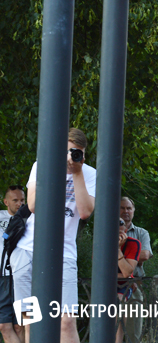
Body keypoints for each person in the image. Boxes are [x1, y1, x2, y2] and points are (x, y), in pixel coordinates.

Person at [10, 128, 96, 343]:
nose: (70, 157)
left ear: (83, 154)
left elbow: (85, 211)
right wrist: (53, 168)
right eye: (66, 151)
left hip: (63, 254)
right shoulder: (41, 166)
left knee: (66, 320)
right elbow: (32, 205)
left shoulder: (90, 174)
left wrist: (76, 173)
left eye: (76, 152)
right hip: (26, 252)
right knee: (31, 320)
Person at [120, 196, 152, 343]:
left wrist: (122, 258)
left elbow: (145, 254)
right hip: (110, 287)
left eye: (129, 208)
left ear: (133, 211)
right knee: (110, 332)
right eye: (122, 208)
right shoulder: (105, 230)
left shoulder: (141, 232)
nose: (125, 211)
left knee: (134, 334)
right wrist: (131, 258)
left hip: (134, 284)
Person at [0, 185, 25, 343]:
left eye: (22, 200)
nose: (19, 204)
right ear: (6, 202)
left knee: (23, 324)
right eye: (15, 200)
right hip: (2, 278)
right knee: (3, 325)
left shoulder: (31, 218)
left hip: (24, 277)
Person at [116, 218, 140, 343]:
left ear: (125, 231)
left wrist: (118, 250)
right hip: (104, 285)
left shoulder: (133, 243)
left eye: (120, 234)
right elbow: (100, 273)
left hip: (123, 286)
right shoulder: (101, 242)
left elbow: (127, 272)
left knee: (118, 304)